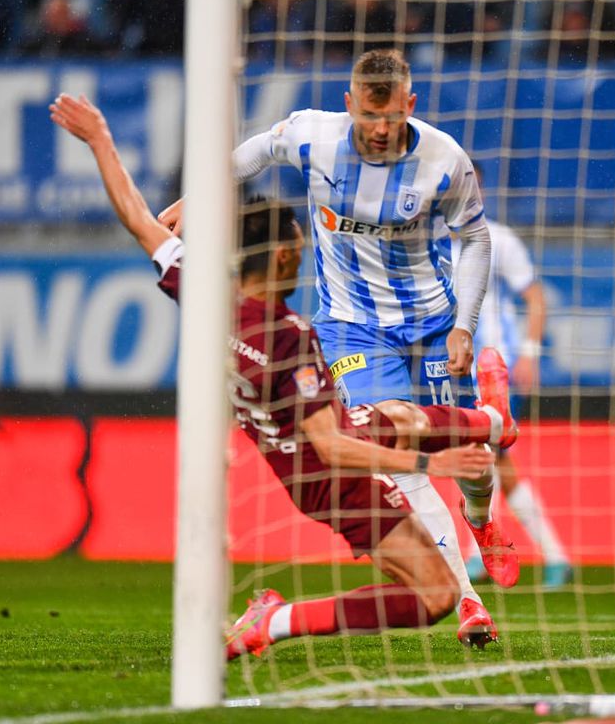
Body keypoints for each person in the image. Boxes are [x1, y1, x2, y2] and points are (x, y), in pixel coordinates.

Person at [48, 92, 519, 653]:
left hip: (310, 450)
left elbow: (137, 219)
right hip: (335, 473)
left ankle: (494, 421)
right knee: (432, 586)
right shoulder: (290, 340)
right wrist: (428, 463)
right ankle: (281, 620)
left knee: (404, 415)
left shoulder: (206, 297)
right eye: (299, 244)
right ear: (283, 258)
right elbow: (333, 447)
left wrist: (101, 141)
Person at [453, 165, 573, 589]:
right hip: (453, 369)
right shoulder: (430, 244)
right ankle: (543, 555)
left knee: (487, 456)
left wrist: (530, 353)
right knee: (484, 459)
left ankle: (492, 555)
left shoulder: (498, 239)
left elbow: (535, 296)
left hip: (492, 369)